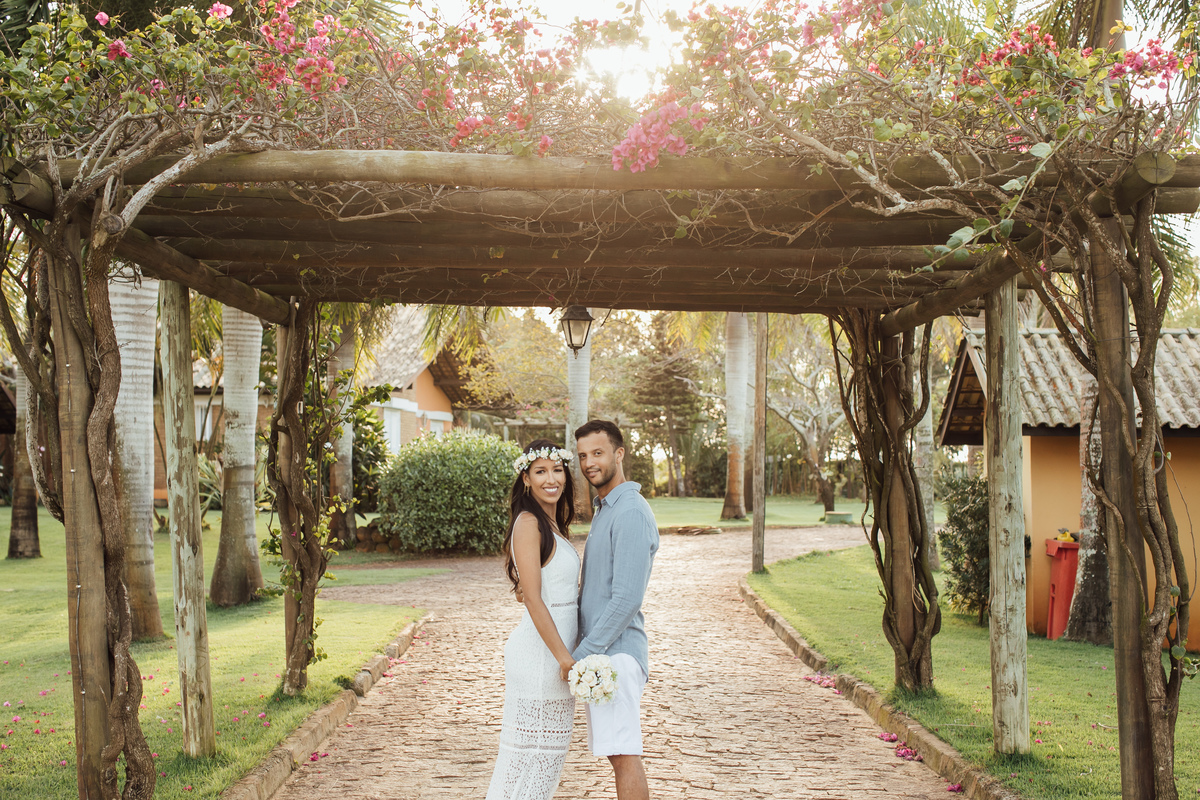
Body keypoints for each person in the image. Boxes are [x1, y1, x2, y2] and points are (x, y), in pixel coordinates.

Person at [485, 438, 581, 800]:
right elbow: (534, 601)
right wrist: (564, 657)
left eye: (557, 470)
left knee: (543, 764)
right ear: (526, 478)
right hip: (542, 658)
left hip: (554, 656)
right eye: (540, 471)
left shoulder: (552, 524)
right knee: (528, 763)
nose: (551, 479)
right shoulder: (528, 523)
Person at [573, 420, 659, 800]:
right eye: (582, 456)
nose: (589, 463)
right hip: (603, 655)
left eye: (598, 453)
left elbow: (626, 599)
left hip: (615, 655)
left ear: (619, 454)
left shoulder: (629, 512)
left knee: (624, 754)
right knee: (617, 753)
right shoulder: (606, 508)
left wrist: (582, 654)